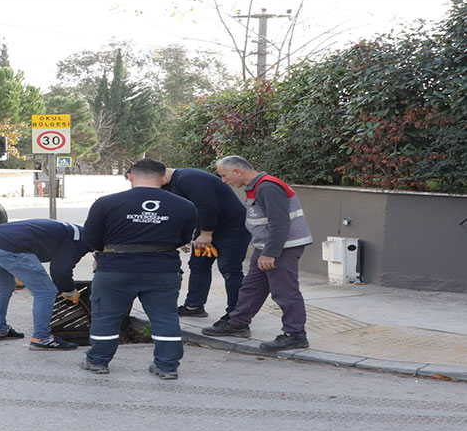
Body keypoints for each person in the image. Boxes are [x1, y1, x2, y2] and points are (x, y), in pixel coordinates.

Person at [80, 159, 198, 379]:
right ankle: (167, 366)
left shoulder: (105, 203)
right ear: (163, 179)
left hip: (115, 269)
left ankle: (97, 362)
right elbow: (184, 238)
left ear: (130, 177)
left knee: (107, 316)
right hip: (163, 270)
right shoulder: (185, 205)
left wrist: (103, 252)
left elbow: (91, 239)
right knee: (165, 317)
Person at [201, 156, 313, 352]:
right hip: (268, 247)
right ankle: (238, 324)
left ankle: (295, 335)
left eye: (224, 176)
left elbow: (280, 223)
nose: (224, 181)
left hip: (281, 248)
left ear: (237, 171)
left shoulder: (267, 187)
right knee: (252, 287)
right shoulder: (257, 186)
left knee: (285, 291)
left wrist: (270, 253)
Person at [0, 218, 91, 350]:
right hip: (9, 247)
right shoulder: (78, 240)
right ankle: (42, 338)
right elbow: (60, 270)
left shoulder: (70, 230)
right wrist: (69, 289)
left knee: (3, 288)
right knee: (46, 291)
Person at [162, 166, 251, 320]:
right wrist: (184, 236)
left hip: (232, 228)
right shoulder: (170, 184)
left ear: (161, 177)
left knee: (230, 270)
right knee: (198, 265)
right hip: (207, 228)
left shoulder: (189, 178)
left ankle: (236, 316)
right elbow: (181, 211)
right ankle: (194, 306)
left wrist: (205, 234)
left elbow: (207, 206)